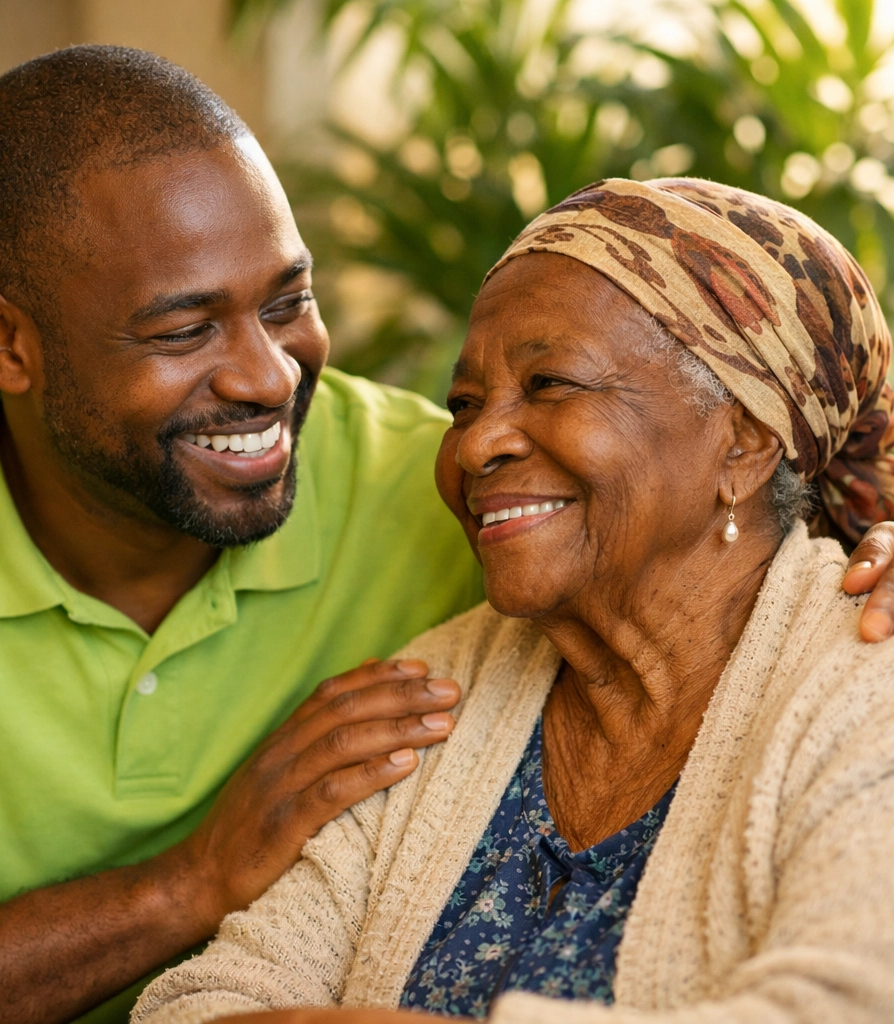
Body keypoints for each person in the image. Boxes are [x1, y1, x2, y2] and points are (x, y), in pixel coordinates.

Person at [133, 178, 894, 1024]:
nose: (476, 444)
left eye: (552, 383)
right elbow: (198, 1006)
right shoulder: (442, 682)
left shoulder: (868, 686)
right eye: (464, 403)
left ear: (745, 443)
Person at [0, 47, 483, 1024]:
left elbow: (713, 572)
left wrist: (822, 549)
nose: (270, 376)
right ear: (4, 341)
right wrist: (192, 881)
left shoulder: (435, 489)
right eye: (182, 331)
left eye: (287, 302)